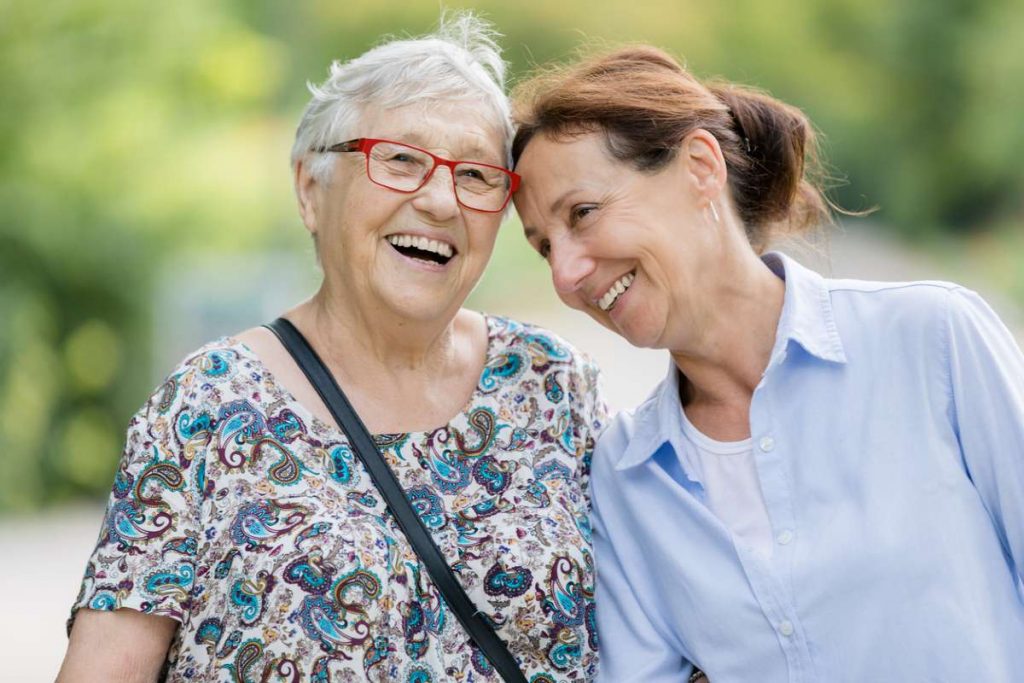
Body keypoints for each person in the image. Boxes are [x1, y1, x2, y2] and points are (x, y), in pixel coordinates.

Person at [58, 14, 606, 682]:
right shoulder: (205, 407)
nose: (440, 199)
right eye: (400, 159)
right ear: (310, 189)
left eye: (477, 175)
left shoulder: (550, 382)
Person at [511, 45, 1024, 682]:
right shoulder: (629, 473)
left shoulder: (932, 341)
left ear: (700, 168)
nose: (566, 273)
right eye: (543, 249)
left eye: (582, 214)